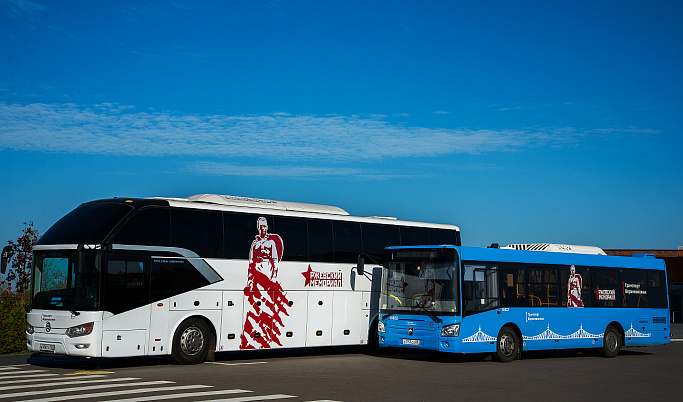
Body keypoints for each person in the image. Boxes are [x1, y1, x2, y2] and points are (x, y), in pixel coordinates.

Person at [240, 217, 289, 349]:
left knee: (267, 308)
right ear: (258, 227)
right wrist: (249, 281)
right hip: (255, 279)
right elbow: (250, 263)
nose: (262, 228)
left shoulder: (271, 243)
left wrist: (273, 278)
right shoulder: (254, 244)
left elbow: (275, 261)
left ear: (267, 227)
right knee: (254, 309)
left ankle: (266, 338)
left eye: (264, 226)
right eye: (260, 226)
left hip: (267, 280)